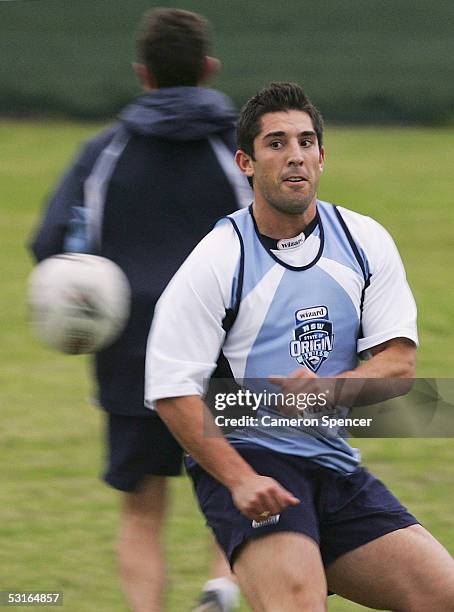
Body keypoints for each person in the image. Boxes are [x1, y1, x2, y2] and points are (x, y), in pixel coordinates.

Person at [145, 82, 454, 611]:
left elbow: (399, 365)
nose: (295, 157)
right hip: (252, 459)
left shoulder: (363, 240)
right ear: (246, 161)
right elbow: (171, 390)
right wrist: (239, 481)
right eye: (277, 143)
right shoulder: (220, 258)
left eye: (306, 142)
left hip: (332, 463)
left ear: (322, 156)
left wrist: (330, 389)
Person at [29, 8, 250, 612]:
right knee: (236, 485)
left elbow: (51, 245)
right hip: (226, 349)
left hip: (135, 354)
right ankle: (221, 588)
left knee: (142, 505)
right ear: (208, 69)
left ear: (141, 74)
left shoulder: (104, 151)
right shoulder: (244, 151)